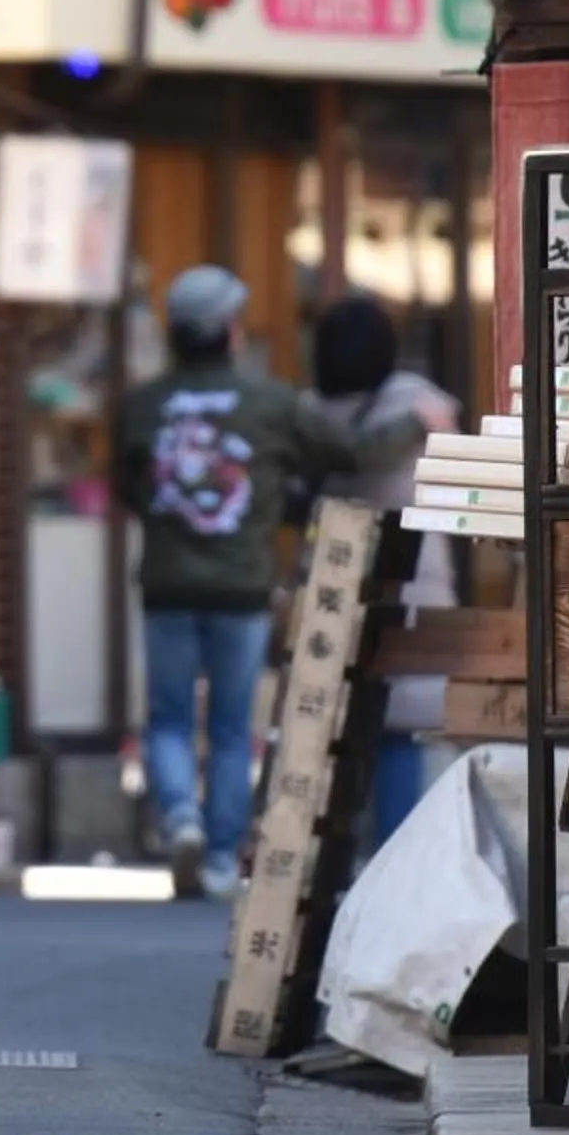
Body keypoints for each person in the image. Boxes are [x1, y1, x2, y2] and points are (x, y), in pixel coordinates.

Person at [114, 264, 360, 901]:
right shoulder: (272, 403)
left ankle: (180, 817)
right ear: (229, 330)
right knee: (229, 727)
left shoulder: (144, 404)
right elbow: (344, 452)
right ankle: (222, 857)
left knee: (168, 718)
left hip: (168, 582)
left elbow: (128, 487)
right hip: (243, 585)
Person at [306, 295, 463, 849]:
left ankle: (333, 854)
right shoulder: (420, 404)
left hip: (333, 581)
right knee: (402, 725)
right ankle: (393, 855)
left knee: (332, 730)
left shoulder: (309, 414)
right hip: (415, 581)